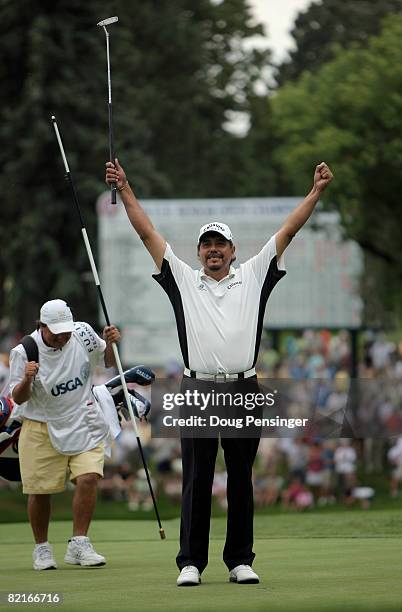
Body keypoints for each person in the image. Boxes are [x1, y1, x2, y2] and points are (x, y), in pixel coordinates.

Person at [106, 158, 333, 586]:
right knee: (197, 477)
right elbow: (146, 233)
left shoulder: (253, 274)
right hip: (197, 389)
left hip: (243, 387)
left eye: (220, 244)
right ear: (198, 252)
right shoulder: (183, 281)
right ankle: (190, 562)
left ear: (232, 250)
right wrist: (127, 187)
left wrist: (316, 192)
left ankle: (239, 561)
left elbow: (288, 231)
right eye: (206, 244)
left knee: (241, 478)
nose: (213, 249)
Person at [8, 299, 121, 570]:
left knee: (89, 478)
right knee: (40, 491)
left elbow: (106, 362)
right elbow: (18, 397)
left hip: (83, 417)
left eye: (65, 330)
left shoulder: (81, 333)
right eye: (56, 331)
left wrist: (112, 344)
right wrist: (27, 379)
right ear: (42, 326)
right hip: (40, 424)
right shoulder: (24, 351)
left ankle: (79, 544)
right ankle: (42, 549)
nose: (62, 336)